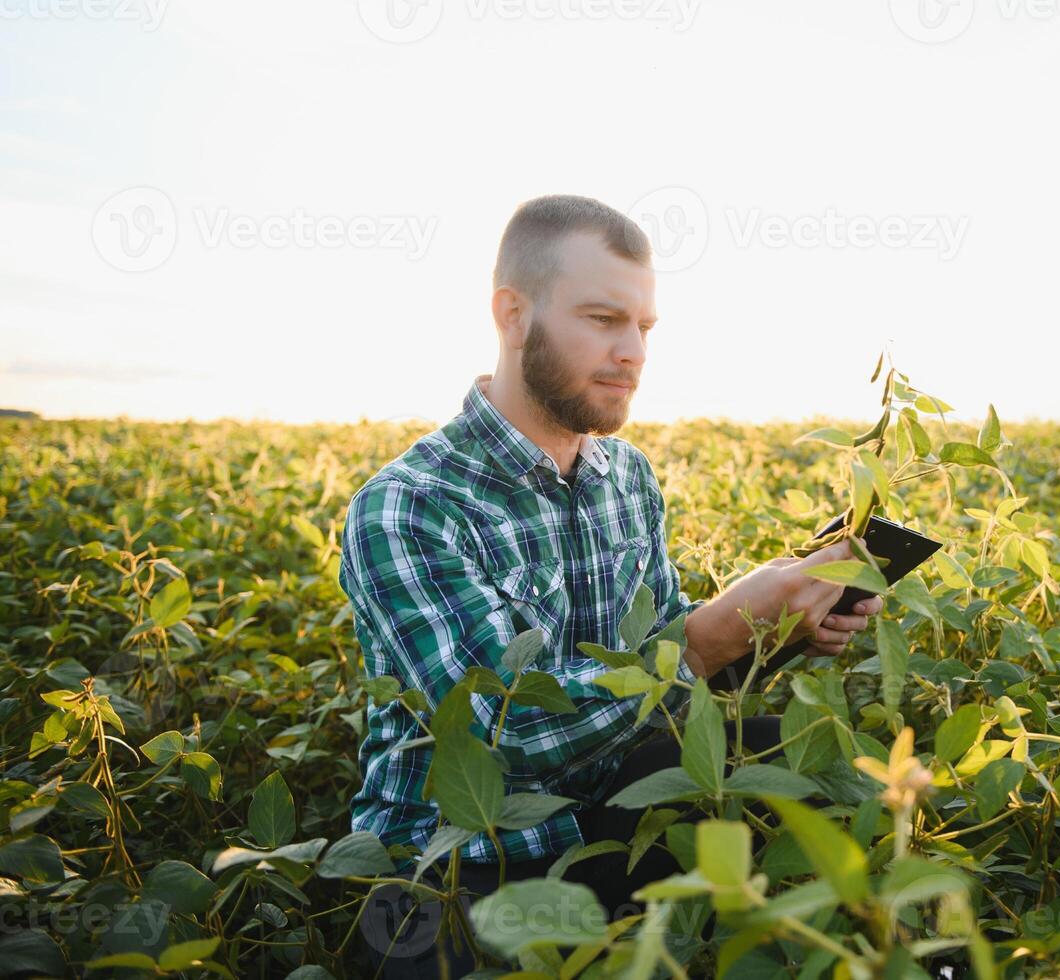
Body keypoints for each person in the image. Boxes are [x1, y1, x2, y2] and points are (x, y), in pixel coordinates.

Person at [338, 194, 882, 977]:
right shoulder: (410, 506)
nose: (632, 351)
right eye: (601, 319)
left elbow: (662, 655)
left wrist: (771, 633)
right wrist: (708, 639)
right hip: (460, 854)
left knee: (821, 770)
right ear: (513, 314)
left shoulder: (625, 476)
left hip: (618, 802)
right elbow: (501, 738)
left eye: (644, 327)